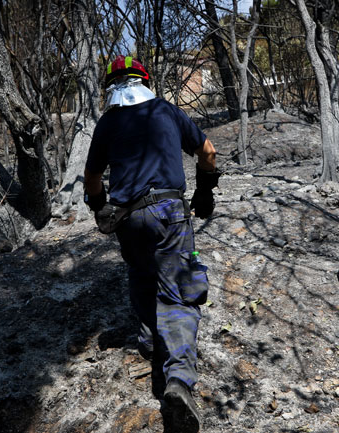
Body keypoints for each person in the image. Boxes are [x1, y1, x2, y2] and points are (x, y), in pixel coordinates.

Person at [83, 55, 219, 433]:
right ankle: (178, 380)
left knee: (142, 275)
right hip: (169, 212)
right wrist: (206, 188)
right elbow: (207, 151)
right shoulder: (167, 111)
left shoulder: (108, 122)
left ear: (112, 86)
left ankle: (151, 344)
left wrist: (98, 209)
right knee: (179, 294)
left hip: (128, 218)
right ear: (146, 79)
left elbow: (92, 178)